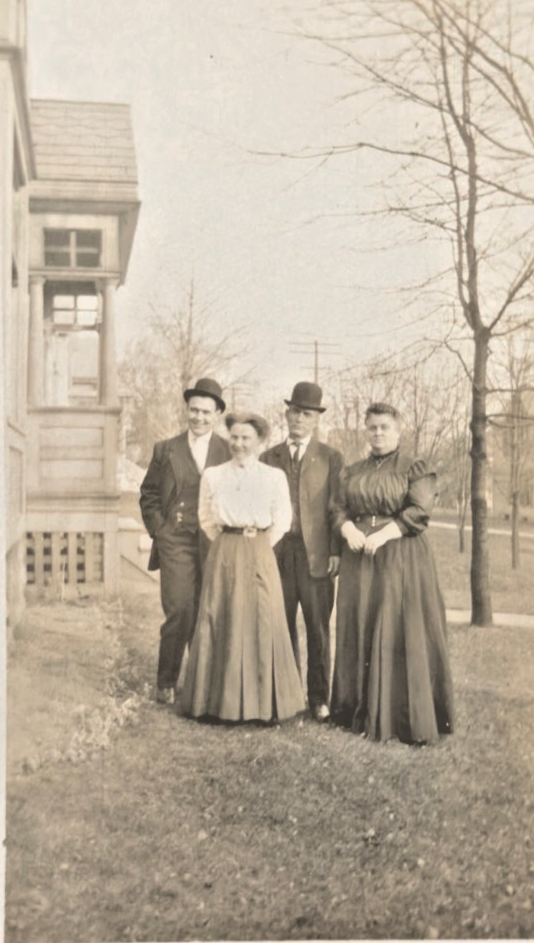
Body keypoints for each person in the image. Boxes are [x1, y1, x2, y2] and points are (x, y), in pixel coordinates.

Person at [330, 402, 454, 744]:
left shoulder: (414, 467)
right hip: (359, 557)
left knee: (397, 627)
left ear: (398, 431)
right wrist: (348, 530)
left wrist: (384, 534)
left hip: (400, 553)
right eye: (372, 427)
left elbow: (419, 510)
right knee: (359, 625)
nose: (378, 433)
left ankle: (399, 716)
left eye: (385, 427)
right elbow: (338, 507)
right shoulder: (352, 470)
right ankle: (354, 708)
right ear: (365, 431)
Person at [181, 412, 305, 724]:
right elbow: (206, 518)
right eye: (234, 437)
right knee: (221, 615)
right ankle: (217, 703)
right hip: (225, 550)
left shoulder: (272, 476)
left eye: (245, 438)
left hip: (260, 550)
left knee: (261, 616)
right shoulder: (213, 474)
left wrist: (258, 543)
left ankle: (263, 705)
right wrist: (229, 541)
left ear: (259, 441)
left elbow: (282, 521)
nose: (238, 444)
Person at [139, 378, 230, 705]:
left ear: (218, 414)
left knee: (208, 611)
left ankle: (202, 683)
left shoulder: (228, 450)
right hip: (175, 540)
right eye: (194, 410)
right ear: (187, 410)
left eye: (206, 412)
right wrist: (159, 531)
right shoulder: (166, 449)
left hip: (213, 542)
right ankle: (166, 680)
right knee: (179, 608)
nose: (199, 418)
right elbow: (148, 495)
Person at [261, 382, 343, 722]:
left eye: (306, 414)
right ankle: (289, 695)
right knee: (282, 625)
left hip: (317, 556)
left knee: (318, 628)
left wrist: (336, 550)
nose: (298, 419)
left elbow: (338, 508)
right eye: (294, 412)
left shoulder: (330, 458)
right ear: (286, 414)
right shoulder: (269, 457)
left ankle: (319, 699)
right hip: (279, 554)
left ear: (316, 420)